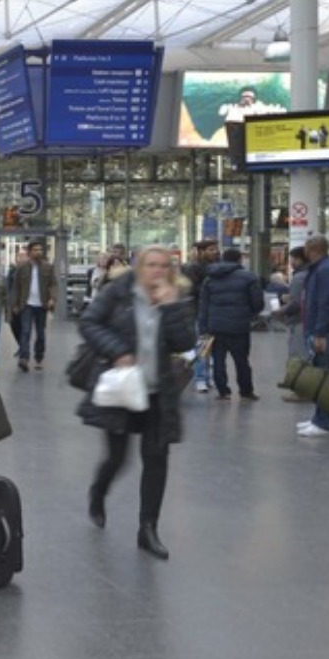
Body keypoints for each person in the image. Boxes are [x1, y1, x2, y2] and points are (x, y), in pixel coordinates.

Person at [79, 245, 196, 560]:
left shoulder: (176, 295)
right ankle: (98, 491)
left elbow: (186, 343)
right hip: (122, 390)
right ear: (138, 266)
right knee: (118, 458)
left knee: (156, 458)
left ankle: (148, 529)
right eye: (151, 264)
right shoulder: (118, 291)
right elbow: (89, 322)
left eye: (164, 265)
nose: (157, 271)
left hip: (158, 393)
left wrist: (170, 307)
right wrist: (117, 350)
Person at [198, 248, 263, 402]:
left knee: (218, 360)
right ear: (239, 259)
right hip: (239, 327)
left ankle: (223, 392)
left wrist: (203, 328)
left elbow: (203, 306)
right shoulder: (249, 277)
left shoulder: (210, 279)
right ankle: (246, 391)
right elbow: (258, 303)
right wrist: (249, 314)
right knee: (242, 361)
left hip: (215, 327)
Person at [296, 235, 329, 437]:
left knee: (324, 377)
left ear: (312, 249)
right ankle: (319, 418)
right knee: (321, 375)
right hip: (318, 329)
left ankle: (324, 423)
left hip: (324, 332)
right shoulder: (320, 269)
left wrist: (319, 333)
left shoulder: (325, 270)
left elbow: (326, 304)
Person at [10, 240, 57, 372]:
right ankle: (24, 358)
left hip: (42, 305)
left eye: (40, 250)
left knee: (41, 333)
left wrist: (52, 299)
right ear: (30, 252)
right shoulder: (21, 268)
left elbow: (53, 284)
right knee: (25, 331)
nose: (38, 252)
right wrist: (14, 304)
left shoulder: (48, 267)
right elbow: (15, 287)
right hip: (26, 305)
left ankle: (39, 357)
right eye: (35, 250)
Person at [182, 240, 219, 393]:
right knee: (201, 346)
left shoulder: (215, 266)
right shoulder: (193, 268)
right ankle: (200, 378)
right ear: (201, 251)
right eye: (211, 249)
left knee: (207, 346)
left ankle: (206, 378)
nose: (215, 252)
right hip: (197, 312)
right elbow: (191, 290)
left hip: (209, 312)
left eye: (215, 249)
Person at [282, 247, 311, 403]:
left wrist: (282, 309)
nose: (291, 263)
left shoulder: (300, 277)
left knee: (298, 357)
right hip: (307, 320)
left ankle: (301, 392)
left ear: (298, 259)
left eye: (291, 259)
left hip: (299, 321)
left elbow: (297, 303)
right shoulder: (311, 274)